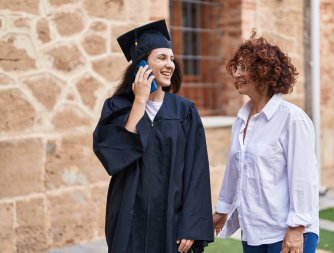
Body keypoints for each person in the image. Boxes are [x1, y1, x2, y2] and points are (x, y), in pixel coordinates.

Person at [93, 20, 213, 253]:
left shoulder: (184, 111)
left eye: (171, 59)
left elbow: (196, 171)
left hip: (173, 218)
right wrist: (139, 101)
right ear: (141, 65)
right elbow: (114, 158)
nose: (170, 64)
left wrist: (192, 225)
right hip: (129, 216)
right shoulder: (116, 108)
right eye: (161, 58)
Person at [213, 30, 319, 253]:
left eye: (244, 68)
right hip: (253, 229)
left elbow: (303, 177)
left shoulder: (292, 118)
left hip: (286, 231)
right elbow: (234, 171)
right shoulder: (241, 119)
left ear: (264, 72)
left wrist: (296, 227)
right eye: (236, 67)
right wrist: (223, 210)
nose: (236, 74)